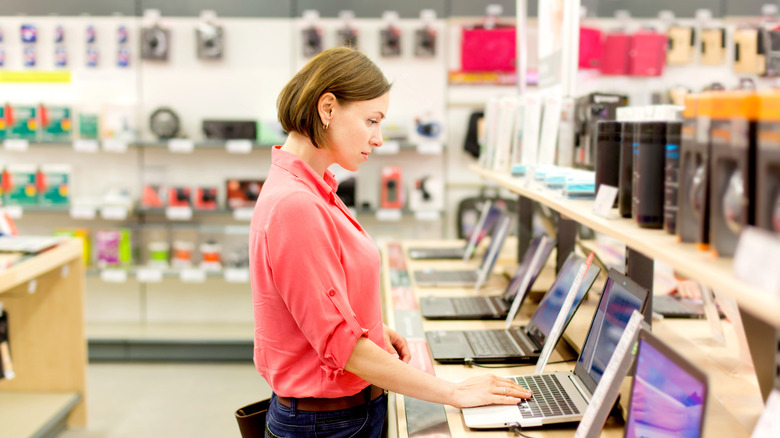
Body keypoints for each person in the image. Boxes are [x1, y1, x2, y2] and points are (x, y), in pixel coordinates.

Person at [249, 47, 532, 438]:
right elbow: (340, 346)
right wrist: (454, 393)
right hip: (330, 424)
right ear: (327, 107)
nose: (378, 138)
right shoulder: (295, 204)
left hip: (340, 415)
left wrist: (374, 328)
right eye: (371, 120)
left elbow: (320, 305)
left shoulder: (313, 190)